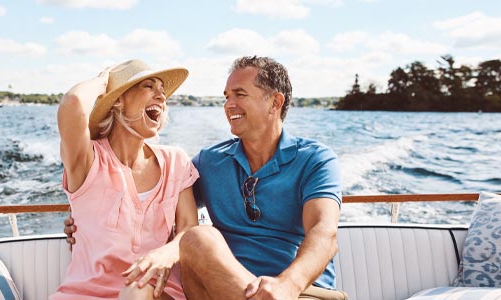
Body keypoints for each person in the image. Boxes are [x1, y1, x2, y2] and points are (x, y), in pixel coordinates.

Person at [65, 56, 345, 300]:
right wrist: (85, 217)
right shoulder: (209, 162)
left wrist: (288, 285)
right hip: (220, 290)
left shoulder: (316, 160)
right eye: (226, 96)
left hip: (301, 293)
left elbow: (324, 233)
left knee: (198, 237)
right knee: (199, 238)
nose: (228, 105)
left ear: (275, 102)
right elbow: (152, 202)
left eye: (239, 94)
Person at [52, 59, 199, 300]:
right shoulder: (89, 161)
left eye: (163, 92)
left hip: (154, 292)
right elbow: (74, 103)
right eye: (148, 86)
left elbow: (190, 230)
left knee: (135, 292)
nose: (161, 97)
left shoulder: (176, 161)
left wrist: (168, 253)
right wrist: (105, 81)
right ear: (118, 100)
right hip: (82, 294)